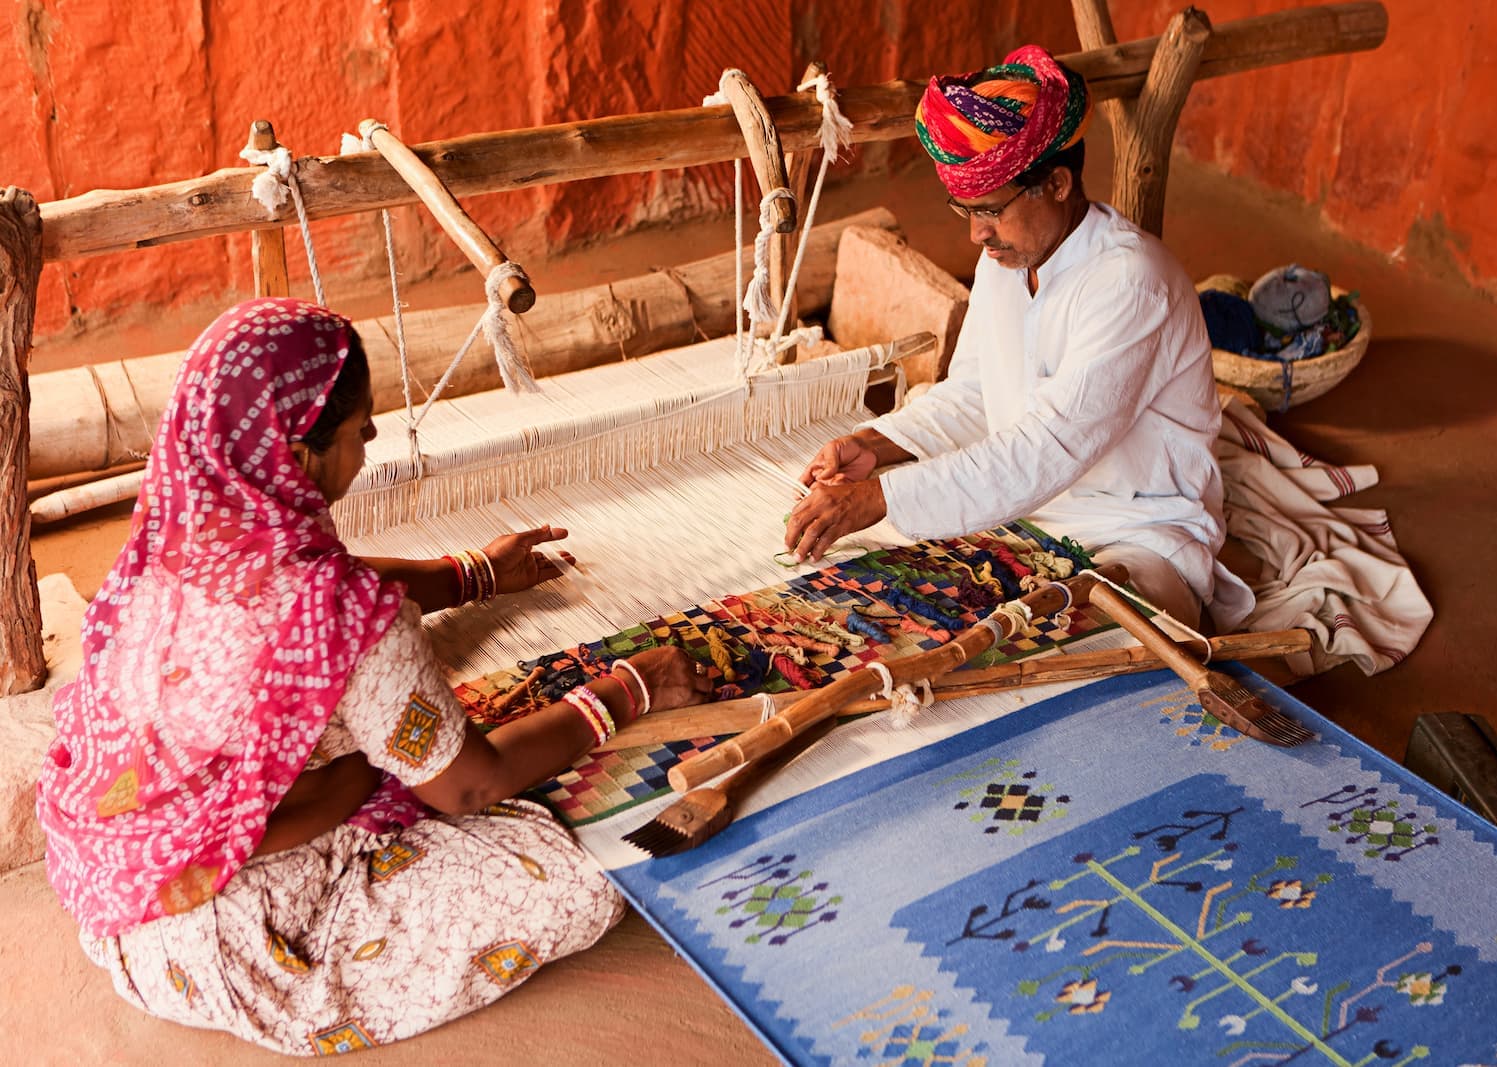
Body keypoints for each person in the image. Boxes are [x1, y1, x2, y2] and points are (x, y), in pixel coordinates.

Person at [36, 298, 713, 1055]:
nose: (373, 436)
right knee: (580, 877)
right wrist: (627, 690)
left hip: (123, 887)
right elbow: (468, 784)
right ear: (296, 456)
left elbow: (323, 584)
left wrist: (473, 574)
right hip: (241, 942)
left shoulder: (180, 531)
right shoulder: (344, 613)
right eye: (361, 426)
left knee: (375, 747)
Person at [784, 45, 1253, 632]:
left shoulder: (1130, 282)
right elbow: (978, 392)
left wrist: (880, 499)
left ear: (1056, 183)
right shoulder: (1006, 261)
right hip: (1023, 526)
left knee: (1068, 648)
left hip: (1134, 540)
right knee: (879, 625)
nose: (978, 234)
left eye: (991, 210)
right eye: (965, 211)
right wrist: (881, 444)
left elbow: (1044, 449)